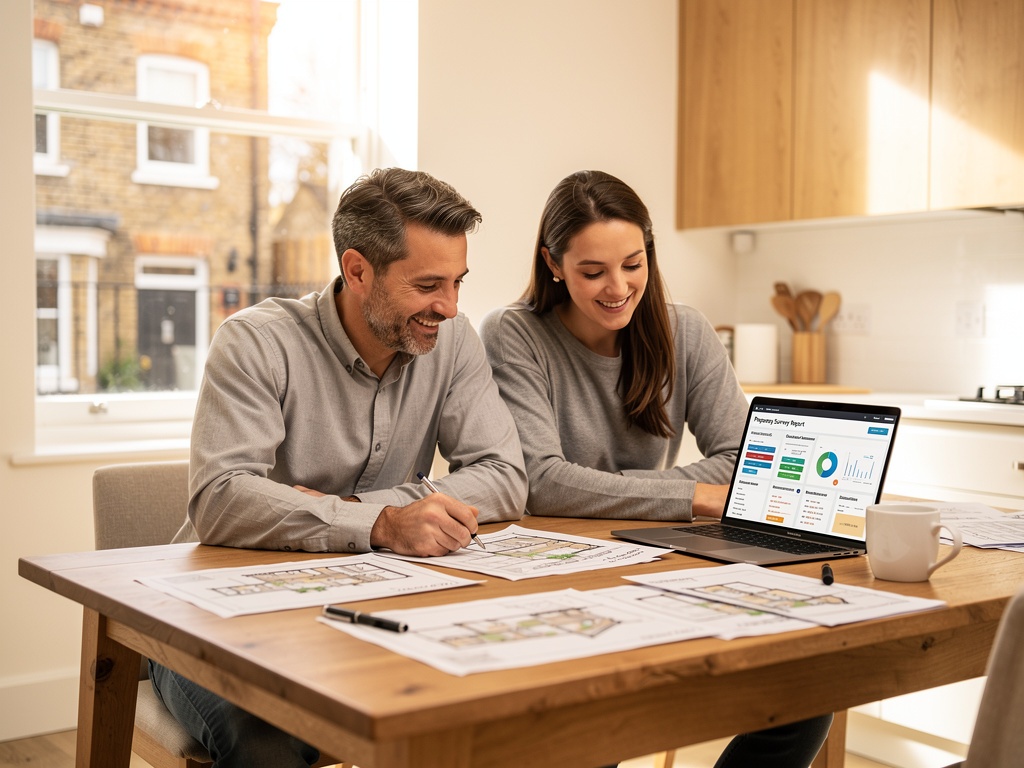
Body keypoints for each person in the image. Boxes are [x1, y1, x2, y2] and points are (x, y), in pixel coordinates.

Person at [152, 167, 528, 768]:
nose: (450, 307)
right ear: (357, 271)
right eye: (428, 285)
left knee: (510, 700)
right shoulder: (255, 342)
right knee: (267, 736)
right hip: (216, 611)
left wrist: (361, 513)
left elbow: (504, 475)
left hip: (370, 605)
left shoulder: (453, 342)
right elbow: (221, 499)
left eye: (457, 282)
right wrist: (384, 526)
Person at [479, 169, 832, 767]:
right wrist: (693, 497)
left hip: (663, 556)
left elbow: (744, 459)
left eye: (633, 264)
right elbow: (541, 482)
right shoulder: (514, 334)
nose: (618, 287)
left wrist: (603, 488)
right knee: (598, 727)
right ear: (554, 264)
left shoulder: (684, 328)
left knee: (805, 691)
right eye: (593, 271)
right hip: (559, 571)